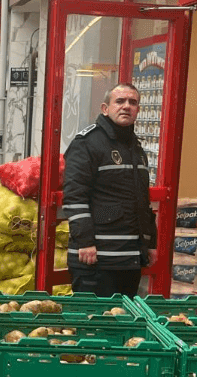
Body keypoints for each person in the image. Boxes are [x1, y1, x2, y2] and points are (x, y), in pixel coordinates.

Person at [63, 83, 157, 297]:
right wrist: (85, 241)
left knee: (122, 326)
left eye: (133, 102)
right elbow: (75, 197)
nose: (126, 106)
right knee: (94, 325)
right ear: (105, 108)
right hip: (96, 260)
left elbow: (142, 203)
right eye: (120, 101)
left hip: (129, 260)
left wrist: (150, 243)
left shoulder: (136, 148)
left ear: (138, 110)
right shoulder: (86, 144)